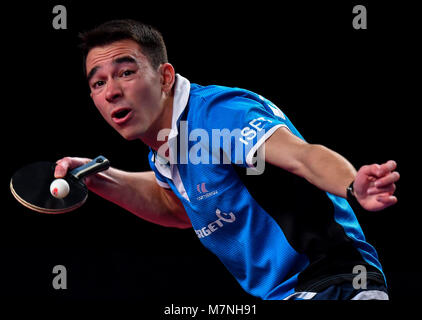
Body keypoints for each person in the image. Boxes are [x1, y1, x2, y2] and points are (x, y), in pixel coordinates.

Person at [54, 19, 400, 300]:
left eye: (126, 73)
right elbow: (176, 207)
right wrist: (98, 178)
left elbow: (302, 157)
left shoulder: (219, 115)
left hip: (334, 282)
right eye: (98, 83)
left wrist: (352, 185)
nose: (111, 91)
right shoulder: (164, 150)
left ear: (165, 77)